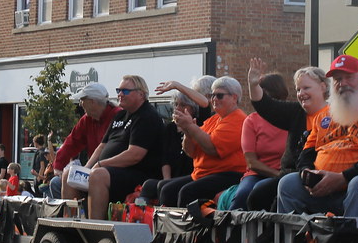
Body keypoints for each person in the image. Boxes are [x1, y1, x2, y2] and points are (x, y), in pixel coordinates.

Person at [276, 55, 358, 217]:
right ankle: (296, 241)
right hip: (319, 188)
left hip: (355, 184)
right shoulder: (325, 115)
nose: (342, 83)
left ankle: (350, 241)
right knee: (288, 183)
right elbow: (307, 152)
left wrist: (343, 178)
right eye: (337, 79)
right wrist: (307, 174)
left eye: (349, 77)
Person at [143, 76, 248, 207]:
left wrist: (190, 127)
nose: (214, 99)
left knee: (187, 192)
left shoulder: (238, 120)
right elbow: (191, 152)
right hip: (204, 173)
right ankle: (166, 226)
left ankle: (187, 227)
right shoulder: (214, 119)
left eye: (219, 95)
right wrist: (188, 130)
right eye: (212, 95)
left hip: (228, 174)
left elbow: (212, 149)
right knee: (166, 189)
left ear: (234, 97)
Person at [71, 75, 163, 220]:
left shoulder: (147, 116)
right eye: (118, 90)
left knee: (98, 175)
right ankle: (71, 230)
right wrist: (86, 169)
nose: (119, 94)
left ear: (141, 94)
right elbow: (101, 147)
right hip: (110, 171)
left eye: (125, 91)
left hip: (138, 174)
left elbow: (134, 155)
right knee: (69, 176)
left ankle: (95, 228)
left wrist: (101, 164)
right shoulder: (120, 116)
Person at [244, 59, 331, 211]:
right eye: (298, 89)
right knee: (257, 195)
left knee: (266, 196)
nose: (301, 93)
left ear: (323, 87)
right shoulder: (296, 112)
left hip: (317, 176)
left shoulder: (334, 116)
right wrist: (253, 84)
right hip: (289, 174)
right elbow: (265, 106)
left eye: (306, 88)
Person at [47, 82, 119, 199]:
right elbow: (72, 142)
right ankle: (70, 214)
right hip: (93, 168)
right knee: (56, 182)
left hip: (109, 169)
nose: (80, 104)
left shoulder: (117, 115)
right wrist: (58, 166)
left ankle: (78, 214)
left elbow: (107, 148)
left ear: (92, 102)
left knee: (67, 179)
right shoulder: (87, 119)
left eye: (82, 100)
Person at [230, 73, 289, 211]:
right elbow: (251, 162)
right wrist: (277, 175)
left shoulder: (292, 116)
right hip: (257, 173)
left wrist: (283, 175)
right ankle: (230, 229)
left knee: (261, 192)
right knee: (244, 194)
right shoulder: (252, 120)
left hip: (286, 173)